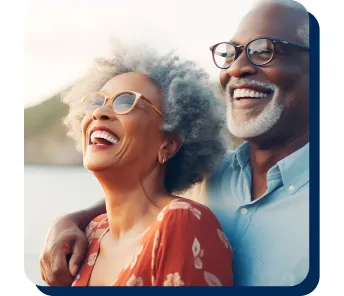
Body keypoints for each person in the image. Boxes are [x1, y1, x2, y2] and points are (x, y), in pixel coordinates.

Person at [40, 0, 310, 286]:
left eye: (264, 51)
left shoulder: (186, 216)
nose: (237, 68)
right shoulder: (208, 178)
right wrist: (69, 221)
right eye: (231, 54)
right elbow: (139, 199)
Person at [40, 42, 233, 286]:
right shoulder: (88, 234)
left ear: (168, 144)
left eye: (126, 102)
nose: (101, 112)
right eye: (98, 101)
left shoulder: (182, 222)